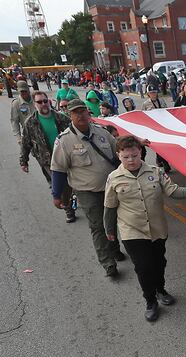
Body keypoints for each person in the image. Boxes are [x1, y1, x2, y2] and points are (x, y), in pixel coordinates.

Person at [104, 136, 186, 322]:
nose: (131, 160)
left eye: (135, 155)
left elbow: (173, 191)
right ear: (118, 156)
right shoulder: (114, 178)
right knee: (143, 267)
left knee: (159, 262)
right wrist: (110, 230)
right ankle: (150, 301)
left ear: (141, 152)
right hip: (132, 231)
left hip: (157, 229)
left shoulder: (156, 172)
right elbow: (110, 207)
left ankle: (160, 289)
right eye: (126, 157)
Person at [50, 99, 124, 278]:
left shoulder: (102, 133)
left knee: (112, 220)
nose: (81, 115)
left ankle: (114, 248)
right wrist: (56, 195)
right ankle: (108, 263)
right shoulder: (64, 141)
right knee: (98, 226)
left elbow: (119, 152)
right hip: (87, 192)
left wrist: (137, 142)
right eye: (76, 112)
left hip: (110, 188)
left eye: (83, 111)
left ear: (88, 112)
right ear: (70, 115)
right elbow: (58, 169)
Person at [20, 90, 76, 223]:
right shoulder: (30, 122)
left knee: (74, 181)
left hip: (67, 157)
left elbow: (76, 132)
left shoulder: (61, 118)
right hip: (48, 161)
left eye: (45, 101)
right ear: (34, 104)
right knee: (61, 186)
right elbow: (25, 143)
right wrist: (24, 161)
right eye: (39, 102)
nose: (43, 104)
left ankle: (74, 199)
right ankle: (69, 209)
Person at [10, 80, 33, 145]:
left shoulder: (35, 99)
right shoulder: (16, 103)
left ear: (28, 90)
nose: (23, 93)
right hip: (28, 133)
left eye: (25, 91)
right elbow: (14, 121)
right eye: (21, 91)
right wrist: (18, 137)